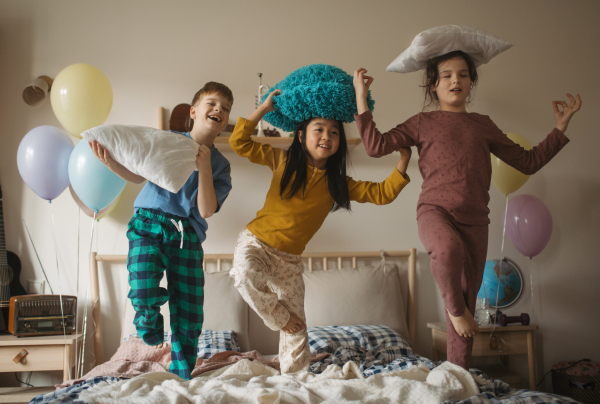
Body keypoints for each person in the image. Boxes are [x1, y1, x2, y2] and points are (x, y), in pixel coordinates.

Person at [353, 51, 581, 369]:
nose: (455, 80)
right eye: (446, 75)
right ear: (432, 84)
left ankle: (459, 381)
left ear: (471, 82)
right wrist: (361, 100)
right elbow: (376, 146)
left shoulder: (483, 125)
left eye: (462, 74)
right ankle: (455, 311)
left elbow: (528, 161)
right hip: (435, 212)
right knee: (447, 253)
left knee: (467, 304)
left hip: (476, 223)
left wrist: (559, 128)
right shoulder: (422, 122)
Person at [229, 89, 412, 374]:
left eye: (334, 132)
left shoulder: (337, 184)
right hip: (257, 243)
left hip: (289, 261)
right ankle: (278, 317)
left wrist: (403, 160)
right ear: (301, 136)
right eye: (319, 130)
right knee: (244, 275)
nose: (327, 136)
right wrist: (264, 109)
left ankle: (297, 380)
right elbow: (238, 141)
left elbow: (381, 194)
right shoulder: (283, 162)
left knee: (298, 327)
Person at [89, 82, 234, 379]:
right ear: (194, 111)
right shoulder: (168, 140)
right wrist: (110, 162)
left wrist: (204, 166)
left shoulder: (220, 165)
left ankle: (181, 375)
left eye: (226, 108)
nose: (219, 109)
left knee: (189, 313)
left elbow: (206, 209)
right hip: (148, 223)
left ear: (225, 121)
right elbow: (138, 174)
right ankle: (148, 320)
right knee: (141, 286)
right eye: (212, 103)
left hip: (187, 236)